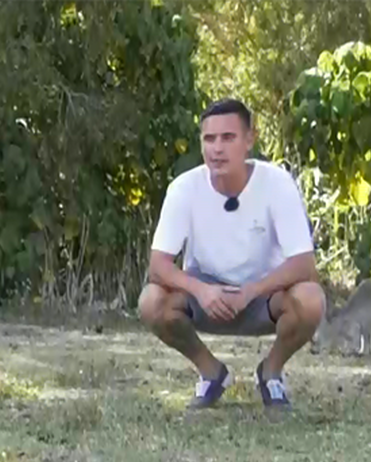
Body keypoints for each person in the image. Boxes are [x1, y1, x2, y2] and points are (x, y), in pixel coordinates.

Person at [138, 98, 325, 411]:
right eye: (209, 139)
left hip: (264, 296)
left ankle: (271, 373)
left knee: (311, 299)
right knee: (151, 301)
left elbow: (304, 264)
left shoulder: (277, 183)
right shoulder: (184, 188)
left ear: (249, 140)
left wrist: (251, 291)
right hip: (206, 296)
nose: (217, 149)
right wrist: (201, 290)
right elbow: (158, 266)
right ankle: (211, 373)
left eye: (228, 138)